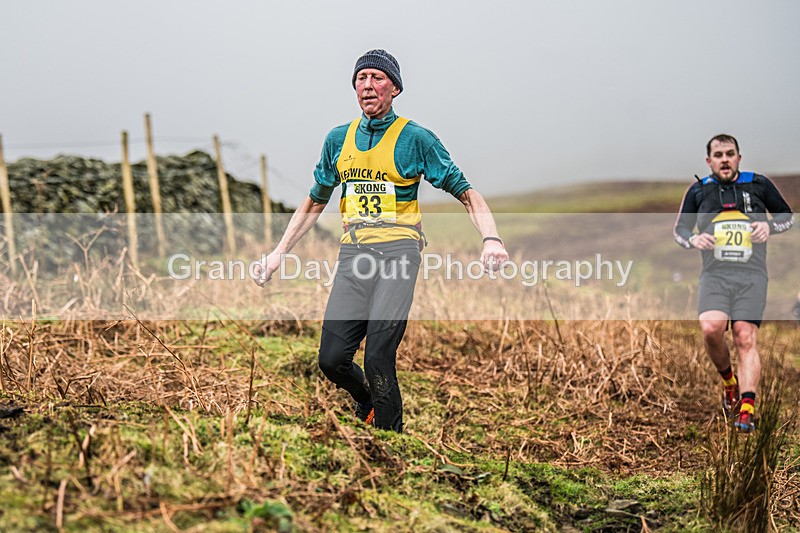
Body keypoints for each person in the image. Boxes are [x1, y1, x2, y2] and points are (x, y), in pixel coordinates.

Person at [254, 49, 509, 432]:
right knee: (332, 359)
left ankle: (390, 441)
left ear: (395, 88)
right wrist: (278, 253)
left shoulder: (415, 138)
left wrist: (491, 238)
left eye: (377, 78)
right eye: (361, 78)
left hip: (399, 253)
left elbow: (466, 192)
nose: (368, 85)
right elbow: (314, 201)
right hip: (354, 254)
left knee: (377, 356)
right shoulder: (338, 139)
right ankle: (367, 401)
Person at [674, 134, 794, 432]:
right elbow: (680, 229)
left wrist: (769, 227)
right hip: (715, 275)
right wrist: (694, 239)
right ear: (709, 161)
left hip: (751, 275)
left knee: (744, 336)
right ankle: (730, 383)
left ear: (739, 157)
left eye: (730, 153)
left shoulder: (758, 184)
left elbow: (788, 217)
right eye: (718, 155)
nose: (724, 159)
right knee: (711, 329)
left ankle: (746, 410)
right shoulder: (699, 190)